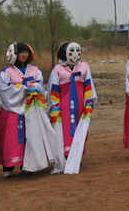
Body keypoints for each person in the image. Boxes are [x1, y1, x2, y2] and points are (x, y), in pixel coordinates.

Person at [0, 43, 63, 176]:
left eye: (26, 52)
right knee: (11, 138)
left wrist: (34, 87)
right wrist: (24, 88)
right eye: (20, 52)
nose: (24, 55)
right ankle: (9, 166)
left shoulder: (35, 70)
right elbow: (5, 91)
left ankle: (29, 164)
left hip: (32, 108)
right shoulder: (6, 72)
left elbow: (40, 85)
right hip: (13, 110)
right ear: (13, 54)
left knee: (32, 136)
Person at [47, 41, 96, 174]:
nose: (75, 54)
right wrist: (54, 106)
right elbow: (53, 89)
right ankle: (65, 156)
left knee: (80, 128)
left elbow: (88, 85)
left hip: (80, 105)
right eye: (71, 51)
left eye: (77, 51)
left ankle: (77, 154)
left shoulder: (84, 67)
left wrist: (89, 103)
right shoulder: (57, 69)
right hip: (64, 106)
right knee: (64, 130)